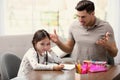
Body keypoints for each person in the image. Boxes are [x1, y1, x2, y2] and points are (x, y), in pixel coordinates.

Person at [50, 0, 118, 65]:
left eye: (83, 17)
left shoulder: (106, 27)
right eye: (78, 16)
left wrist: (107, 45)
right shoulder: (74, 26)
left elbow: (114, 54)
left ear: (92, 14)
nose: (80, 20)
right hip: (80, 68)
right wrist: (58, 42)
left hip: (98, 68)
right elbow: (68, 49)